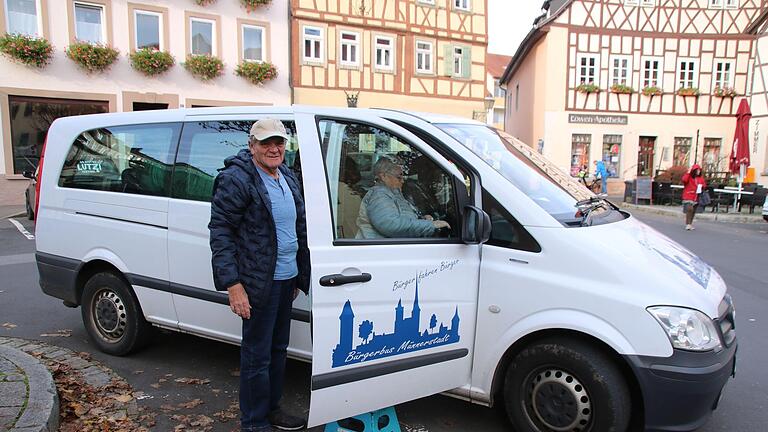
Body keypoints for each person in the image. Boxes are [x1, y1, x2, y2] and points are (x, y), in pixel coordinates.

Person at [209, 118, 310, 432]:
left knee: (278, 350)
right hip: (256, 282)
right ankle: (253, 422)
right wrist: (233, 284)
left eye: (279, 142)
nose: (274, 148)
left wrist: (297, 277)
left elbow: (298, 228)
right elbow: (221, 232)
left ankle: (272, 409)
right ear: (252, 145)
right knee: (257, 355)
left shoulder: (287, 176)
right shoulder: (237, 179)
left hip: (284, 279)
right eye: (266, 143)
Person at [356, 157, 450, 239]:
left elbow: (400, 217)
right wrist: (430, 225)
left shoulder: (391, 193)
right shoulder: (379, 194)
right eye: (399, 177)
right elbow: (390, 225)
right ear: (383, 176)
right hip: (381, 252)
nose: (403, 181)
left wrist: (421, 219)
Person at [681, 163, 707, 231]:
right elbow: (684, 180)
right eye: (697, 170)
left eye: (699, 170)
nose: (698, 171)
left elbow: (704, 185)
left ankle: (690, 224)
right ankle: (687, 224)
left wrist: (702, 186)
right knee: (690, 209)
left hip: (696, 196)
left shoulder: (700, 179)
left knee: (693, 211)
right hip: (688, 195)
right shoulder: (689, 177)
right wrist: (688, 173)